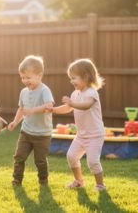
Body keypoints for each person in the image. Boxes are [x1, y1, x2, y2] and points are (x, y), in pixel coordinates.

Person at [48, 58, 106, 191]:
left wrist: (72, 103)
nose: (71, 81)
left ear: (85, 76)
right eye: (70, 78)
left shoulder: (92, 93)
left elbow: (86, 106)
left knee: (92, 161)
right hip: (81, 135)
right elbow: (68, 108)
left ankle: (100, 185)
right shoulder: (75, 93)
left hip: (95, 135)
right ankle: (79, 181)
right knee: (71, 156)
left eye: (74, 78)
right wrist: (55, 110)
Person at [8, 55, 55, 186]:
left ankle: (43, 180)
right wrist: (15, 122)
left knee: (40, 160)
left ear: (39, 76)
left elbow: (49, 106)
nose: (24, 80)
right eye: (22, 77)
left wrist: (33, 110)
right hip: (26, 132)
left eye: (28, 77)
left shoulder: (44, 90)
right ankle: (16, 180)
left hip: (42, 134)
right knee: (19, 157)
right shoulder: (23, 92)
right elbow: (21, 109)